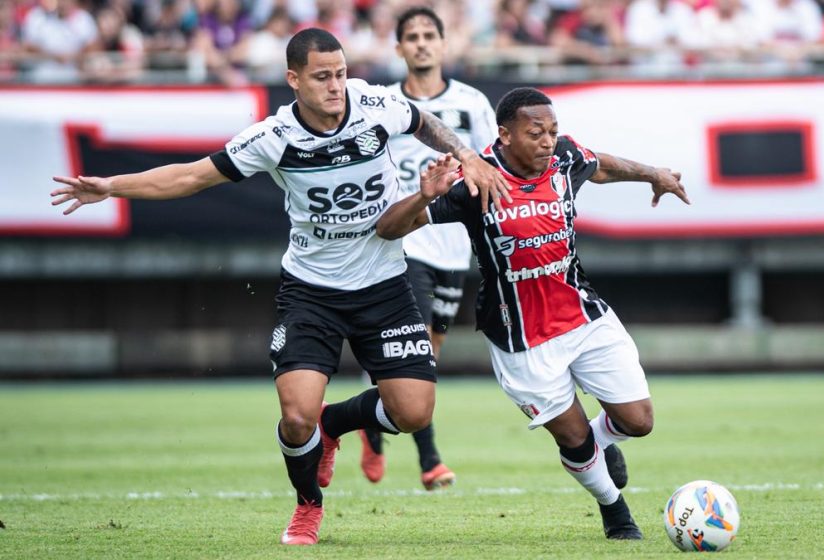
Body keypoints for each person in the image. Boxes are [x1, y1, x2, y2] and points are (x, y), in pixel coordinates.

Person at [50, 28, 510, 546]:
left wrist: (467, 156)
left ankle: (334, 424)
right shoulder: (273, 137)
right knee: (295, 418)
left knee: (413, 412)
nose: (336, 86)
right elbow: (190, 177)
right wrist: (112, 186)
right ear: (293, 80)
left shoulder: (374, 103)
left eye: (340, 73)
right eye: (322, 77)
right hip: (311, 291)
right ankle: (308, 506)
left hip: (383, 284)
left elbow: (424, 122)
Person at [376, 87, 690, 540]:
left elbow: (600, 165)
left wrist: (652, 173)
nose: (547, 141)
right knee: (573, 438)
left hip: (583, 316)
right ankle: (614, 510)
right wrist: (424, 197)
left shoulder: (563, 158)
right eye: (535, 133)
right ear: (504, 135)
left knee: (638, 421)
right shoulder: (474, 181)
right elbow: (388, 229)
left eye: (553, 132)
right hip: (520, 336)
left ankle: (601, 443)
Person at [357, 6, 498, 492]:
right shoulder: (381, 106)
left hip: (454, 249)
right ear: (397, 48)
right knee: (416, 348)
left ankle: (372, 424)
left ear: (443, 44)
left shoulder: (472, 103)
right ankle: (431, 461)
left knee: (427, 353)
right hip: (404, 244)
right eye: (410, 36)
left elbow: (490, 168)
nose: (420, 43)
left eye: (427, 35)